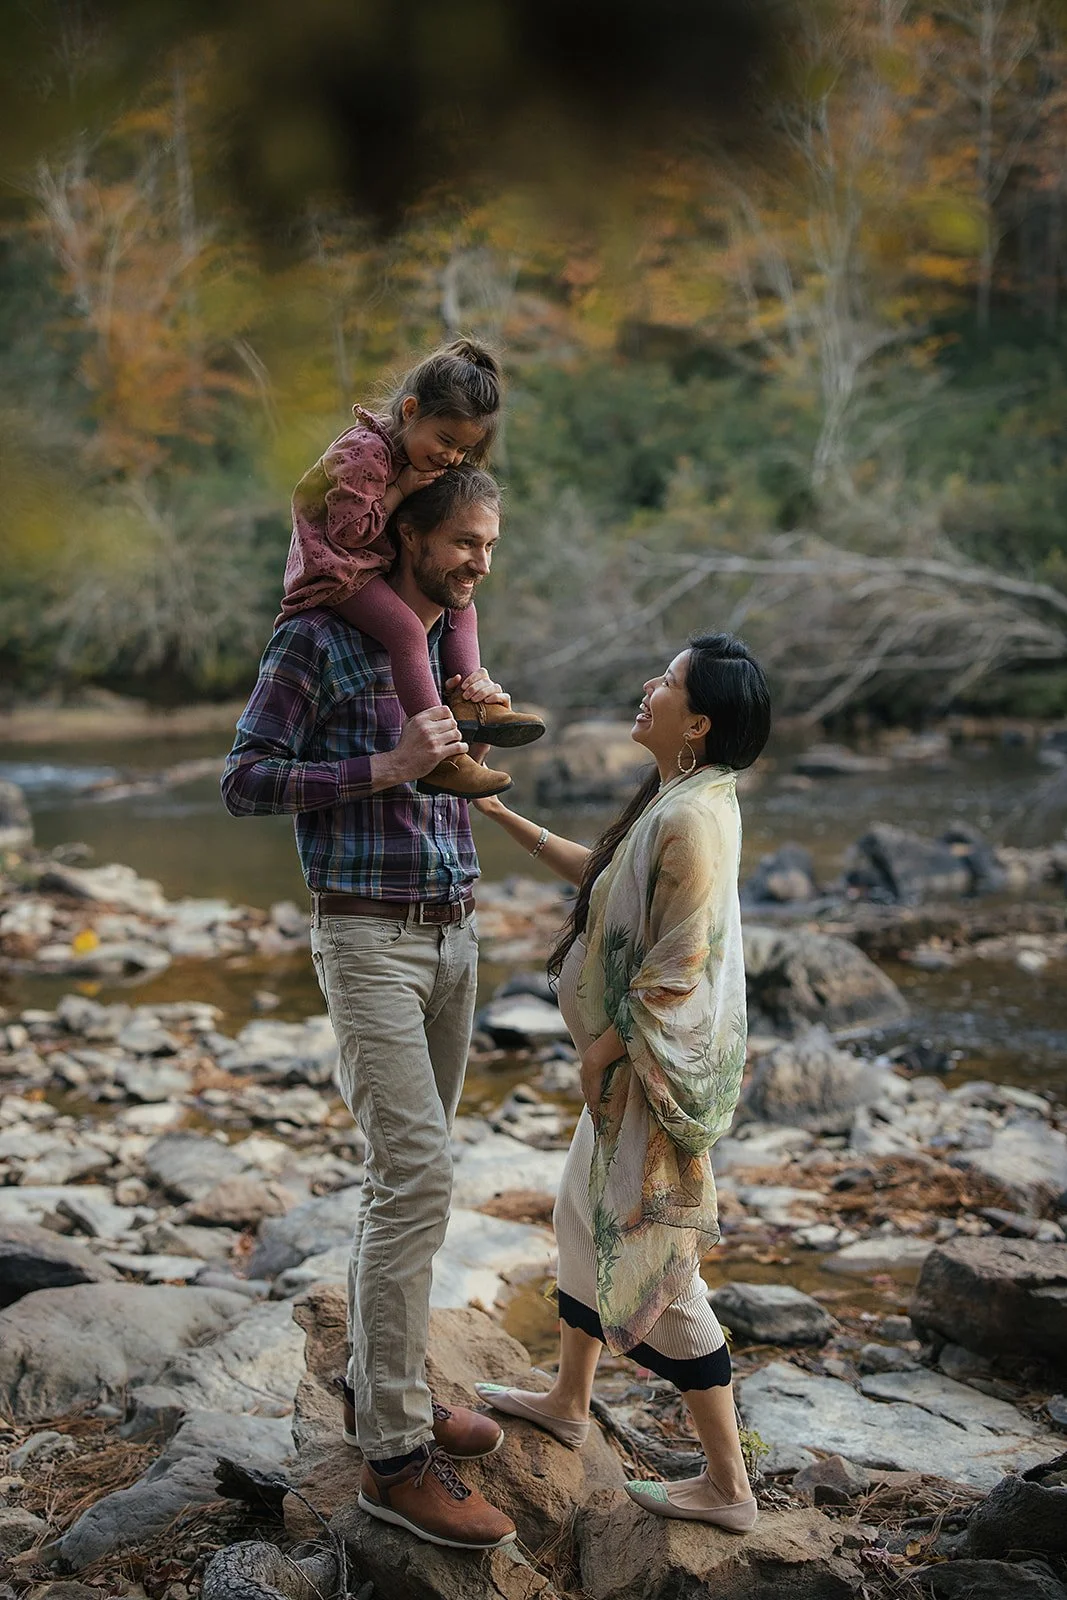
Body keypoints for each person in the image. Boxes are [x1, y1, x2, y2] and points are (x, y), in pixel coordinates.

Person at [221, 465, 518, 1551]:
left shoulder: (444, 640)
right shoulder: (317, 639)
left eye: (490, 545)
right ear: (404, 533)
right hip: (366, 937)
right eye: (463, 545)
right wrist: (385, 763)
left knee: (417, 1174)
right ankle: (394, 1457)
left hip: (457, 932)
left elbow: (453, 779)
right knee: (417, 1175)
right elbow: (243, 779)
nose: (479, 564)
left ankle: (378, 1381)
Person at [469, 634, 771, 1529]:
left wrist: (600, 1051)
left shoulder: (691, 818)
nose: (651, 686)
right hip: (622, 1077)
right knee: (577, 1220)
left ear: (699, 720)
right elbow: (601, 883)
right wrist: (497, 812)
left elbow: (679, 962)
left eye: (669, 682)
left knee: (660, 1274)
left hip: (642, 1073)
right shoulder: (679, 799)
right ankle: (567, 1402)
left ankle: (727, 1488)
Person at [279, 337, 544, 800]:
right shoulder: (365, 454)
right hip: (336, 569)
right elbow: (349, 532)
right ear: (409, 410)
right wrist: (400, 489)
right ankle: (441, 758)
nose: (451, 457)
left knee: (462, 608)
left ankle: (468, 706)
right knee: (405, 630)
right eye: (445, 440)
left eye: (464, 450)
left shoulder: (416, 455)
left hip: (368, 561)